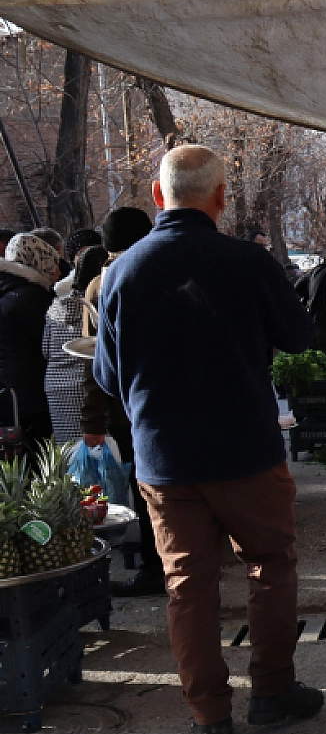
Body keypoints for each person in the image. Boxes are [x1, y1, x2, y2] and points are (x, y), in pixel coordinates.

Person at [94, 145, 321, 734]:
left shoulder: (121, 272)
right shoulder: (248, 261)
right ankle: (272, 691)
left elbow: (108, 378)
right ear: (221, 198)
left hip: (165, 461)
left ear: (157, 194)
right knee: (270, 567)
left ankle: (208, 719)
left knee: (187, 587)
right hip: (246, 447)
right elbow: (301, 336)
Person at [82, 208, 163, 595]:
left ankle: (155, 566)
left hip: (128, 406)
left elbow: (97, 359)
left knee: (148, 492)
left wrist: (92, 418)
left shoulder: (105, 282)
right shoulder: (167, 268)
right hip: (167, 401)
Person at [0, 232, 62, 451]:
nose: (57, 273)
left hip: (10, 397)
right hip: (33, 399)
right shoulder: (31, 297)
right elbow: (51, 344)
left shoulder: (7, 291)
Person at [42, 239, 107, 441]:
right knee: (99, 452)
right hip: (88, 385)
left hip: (56, 387)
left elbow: (45, 348)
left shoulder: (57, 304)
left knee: (68, 451)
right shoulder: (96, 303)